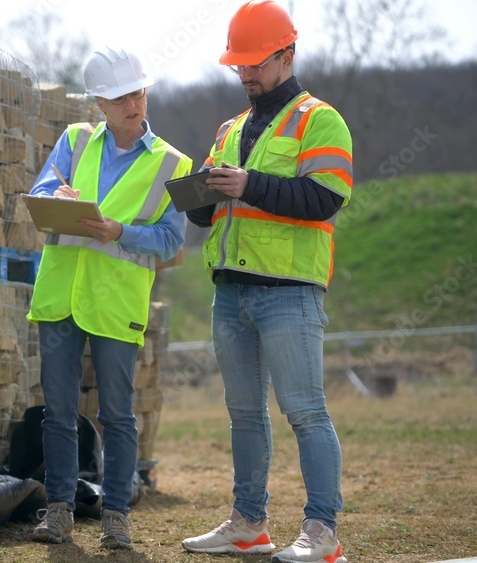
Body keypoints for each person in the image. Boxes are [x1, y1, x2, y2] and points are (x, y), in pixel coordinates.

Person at [179, 2, 352, 563]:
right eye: (240, 65)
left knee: (305, 411)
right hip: (229, 291)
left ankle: (322, 533)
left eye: (256, 62)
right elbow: (208, 216)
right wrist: (199, 195)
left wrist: (248, 184)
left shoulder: (319, 119)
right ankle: (249, 524)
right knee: (244, 413)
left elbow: (324, 198)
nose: (246, 74)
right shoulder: (229, 129)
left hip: (290, 293)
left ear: (287, 54)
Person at [26, 46, 193, 550]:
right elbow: (42, 190)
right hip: (60, 295)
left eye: (138, 92)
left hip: (116, 302)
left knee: (117, 414)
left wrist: (119, 231)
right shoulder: (74, 141)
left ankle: (116, 515)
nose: (133, 104)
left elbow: (170, 240)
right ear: (99, 102)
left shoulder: (174, 163)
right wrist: (57, 198)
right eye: (120, 97)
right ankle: (58, 514)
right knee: (57, 411)